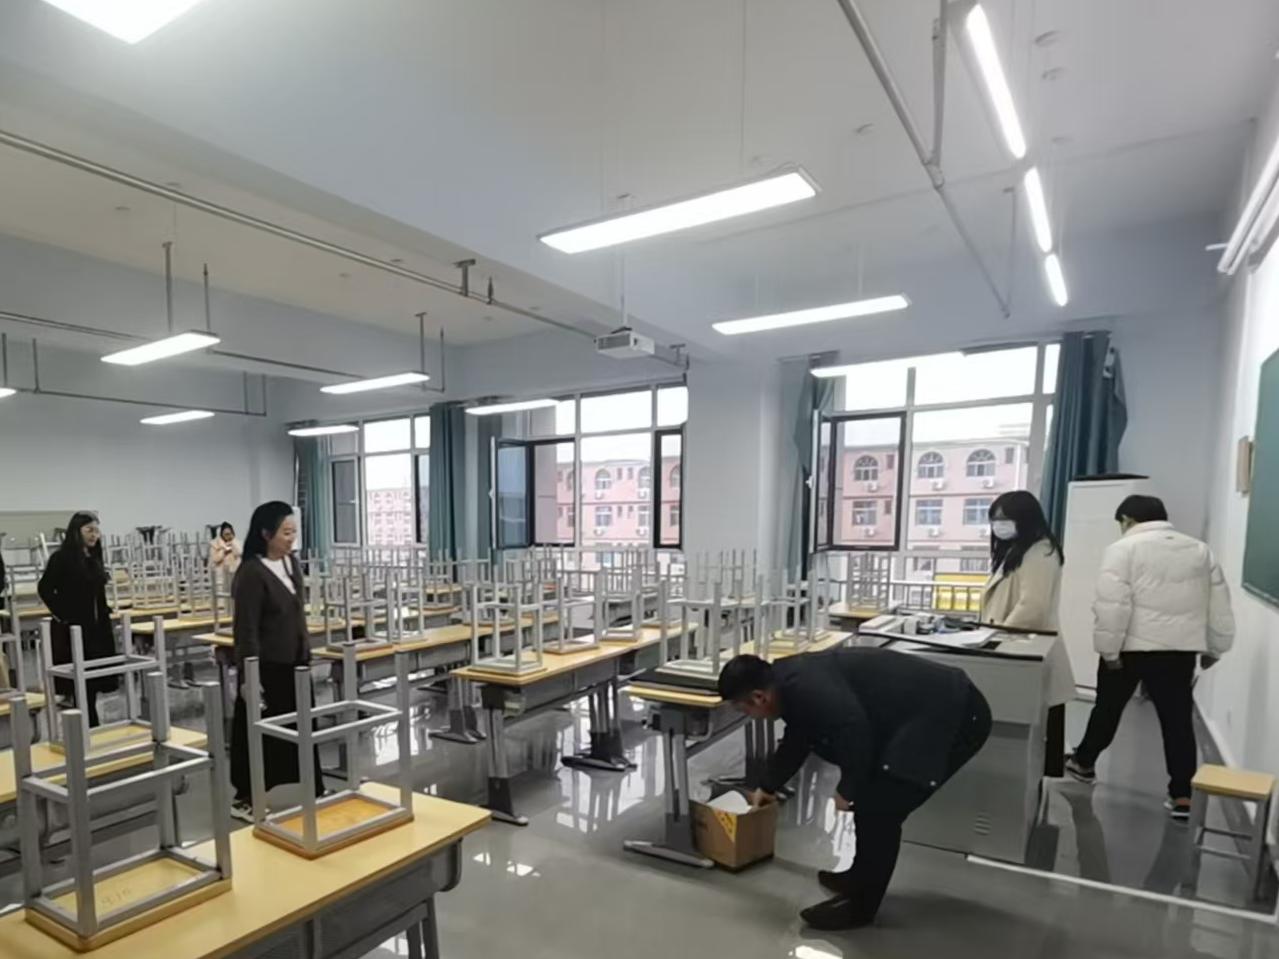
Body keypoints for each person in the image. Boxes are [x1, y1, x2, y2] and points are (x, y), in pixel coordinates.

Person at [719, 648, 991, 930]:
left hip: (955, 713)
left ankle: (860, 907)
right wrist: (768, 785)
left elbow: (854, 730)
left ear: (758, 697)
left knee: (880, 809)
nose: (750, 716)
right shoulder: (789, 683)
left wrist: (848, 789)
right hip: (926, 711)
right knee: (872, 799)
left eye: (743, 709)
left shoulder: (805, 688)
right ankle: (859, 877)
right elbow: (799, 737)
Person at [1065, 495, 1235, 820]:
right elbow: (1219, 604)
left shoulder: (1122, 550)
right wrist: (1216, 647)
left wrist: (1109, 651)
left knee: (1108, 709)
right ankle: (1182, 794)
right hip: (1178, 652)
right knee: (1177, 721)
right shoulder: (1199, 550)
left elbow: (1112, 605)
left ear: (1128, 520)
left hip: (1129, 650)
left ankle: (1084, 763)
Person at [228, 501, 320, 822]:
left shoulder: (291, 563)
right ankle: (246, 797)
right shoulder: (251, 573)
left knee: (302, 728)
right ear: (266, 534)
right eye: (285, 533)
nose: (291, 539)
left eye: (294, 532)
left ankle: (313, 788)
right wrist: (248, 676)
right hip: (267, 667)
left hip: (296, 663)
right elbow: (246, 630)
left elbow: (295, 613)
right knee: (261, 734)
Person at [980, 490, 1075, 775]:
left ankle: (1034, 790)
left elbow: (1032, 607)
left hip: (1025, 649)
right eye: (995, 519)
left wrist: (997, 638)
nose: (999, 525)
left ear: (1025, 518)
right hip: (1014, 646)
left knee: (1037, 738)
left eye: (1005, 518)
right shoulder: (1018, 549)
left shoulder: (1040, 552)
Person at [37, 512, 118, 725]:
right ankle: (87, 725)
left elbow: (97, 592)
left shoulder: (93, 557)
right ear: (76, 531)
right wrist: (63, 615)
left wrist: (105, 611)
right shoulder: (61, 558)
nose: (94, 535)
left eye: (96, 530)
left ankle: (90, 722)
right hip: (74, 629)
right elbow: (45, 588)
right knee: (80, 681)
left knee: (94, 678)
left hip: (97, 628)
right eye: (89, 530)